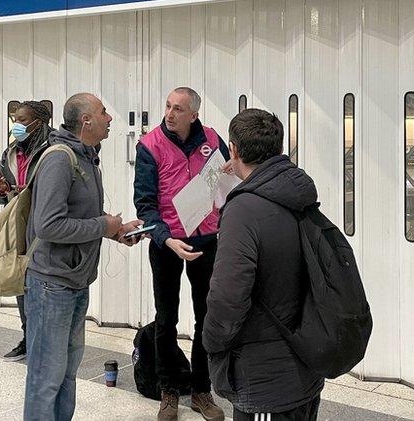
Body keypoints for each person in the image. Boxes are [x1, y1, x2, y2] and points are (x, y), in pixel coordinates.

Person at [24, 92, 143, 421]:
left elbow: (81, 214)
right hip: (52, 285)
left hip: (75, 282)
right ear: (85, 120)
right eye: (103, 112)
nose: (109, 118)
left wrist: (117, 231)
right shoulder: (59, 159)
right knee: (45, 378)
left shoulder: (88, 158)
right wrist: (103, 225)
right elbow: (48, 226)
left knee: (65, 374)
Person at [203, 109, 325, 421]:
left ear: (233, 150)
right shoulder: (299, 194)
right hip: (305, 366)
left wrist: (212, 342)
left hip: (264, 379)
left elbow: (227, 298)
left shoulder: (243, 210)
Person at [134, 87, 229, 421]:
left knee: (206, 317)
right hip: (167, 244)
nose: (170, 114)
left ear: (194, 115)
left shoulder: (214, 139)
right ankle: (169, 390)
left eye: (178, 109)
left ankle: (202, 391)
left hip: (206, 241)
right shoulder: (150, 146)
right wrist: (165, 238)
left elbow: (226, 187)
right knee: (166, 318)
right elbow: (145, 204)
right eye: (168, 106)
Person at [0, 101, 54, 362]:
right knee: (19, 283)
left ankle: (47, 341)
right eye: (15, 119)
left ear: (39, 122)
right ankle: (28, 338)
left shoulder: (53, 149)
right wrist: (1, 189)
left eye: (23, 120)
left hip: (43, 227)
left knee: (44, 283)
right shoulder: (10, 153)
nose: (17, 125)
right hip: (16, 226)